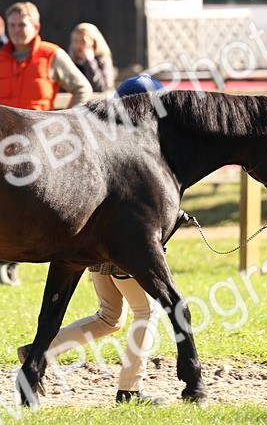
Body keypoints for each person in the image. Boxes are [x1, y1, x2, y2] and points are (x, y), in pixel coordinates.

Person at [18, 74, 172, 405]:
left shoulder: (104, 140)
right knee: (147, 311)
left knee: (109, 317)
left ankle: (38, 351)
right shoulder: (140, 148)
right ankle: (130, 389)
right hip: (124, 249)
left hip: (94, 251)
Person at [0, 1, 92, 285]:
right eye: (12, 25)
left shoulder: (52, 54)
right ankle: (0, 264)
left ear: (36, 27)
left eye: (22, 25)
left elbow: (83, 88)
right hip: (0, 144)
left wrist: (65, 123)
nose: (17, 30)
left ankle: (11, 263)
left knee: (28, 207)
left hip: (37, 145)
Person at [69, 22, 116, 92]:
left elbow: (101, 87)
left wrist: (89, 62)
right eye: (75, 41)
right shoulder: (70, 62)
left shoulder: (103, 60)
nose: (78, 46)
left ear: (94, 42)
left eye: (83, 41)